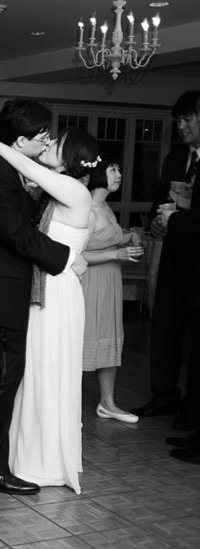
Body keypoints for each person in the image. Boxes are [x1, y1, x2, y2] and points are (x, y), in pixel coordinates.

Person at [0, 99, 74, 497]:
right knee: (1, 380)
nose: (46, 143)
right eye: (41, 138)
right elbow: (15, 234)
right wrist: (65, 256)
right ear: (20, 140)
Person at [0, 124, 94, 494]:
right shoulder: (53, 188)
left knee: (49, 373)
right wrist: (9, 134)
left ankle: (45, 462)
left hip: (57, 292)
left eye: (55, 143)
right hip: (44, 287)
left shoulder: (74, 189)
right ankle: (22, 456)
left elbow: (26, 166)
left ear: (70, 156)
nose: (48, 144)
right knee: (33, 373)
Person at [133, 90, 200, 432]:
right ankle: (164, 394)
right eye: (178, 119)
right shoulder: (175, 159)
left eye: (188, 119)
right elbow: (159, 200)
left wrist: (174, 219)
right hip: (173, 256)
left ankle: (193, 406)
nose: (181, 125)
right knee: (164, 328)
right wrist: (157, 221)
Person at [81, 157, 143, 423]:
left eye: (119, 169)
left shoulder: (106, 205)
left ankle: (107, 403)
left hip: (110, 281)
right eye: (113, 169)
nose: (119, 174)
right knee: (84, 338)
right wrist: (117, 252)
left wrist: (130, 236)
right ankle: (66, 406)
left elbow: (108, 236)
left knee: (109, 336)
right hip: (90, 282)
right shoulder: (88, 209)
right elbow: (77, 254)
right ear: (97, 173)